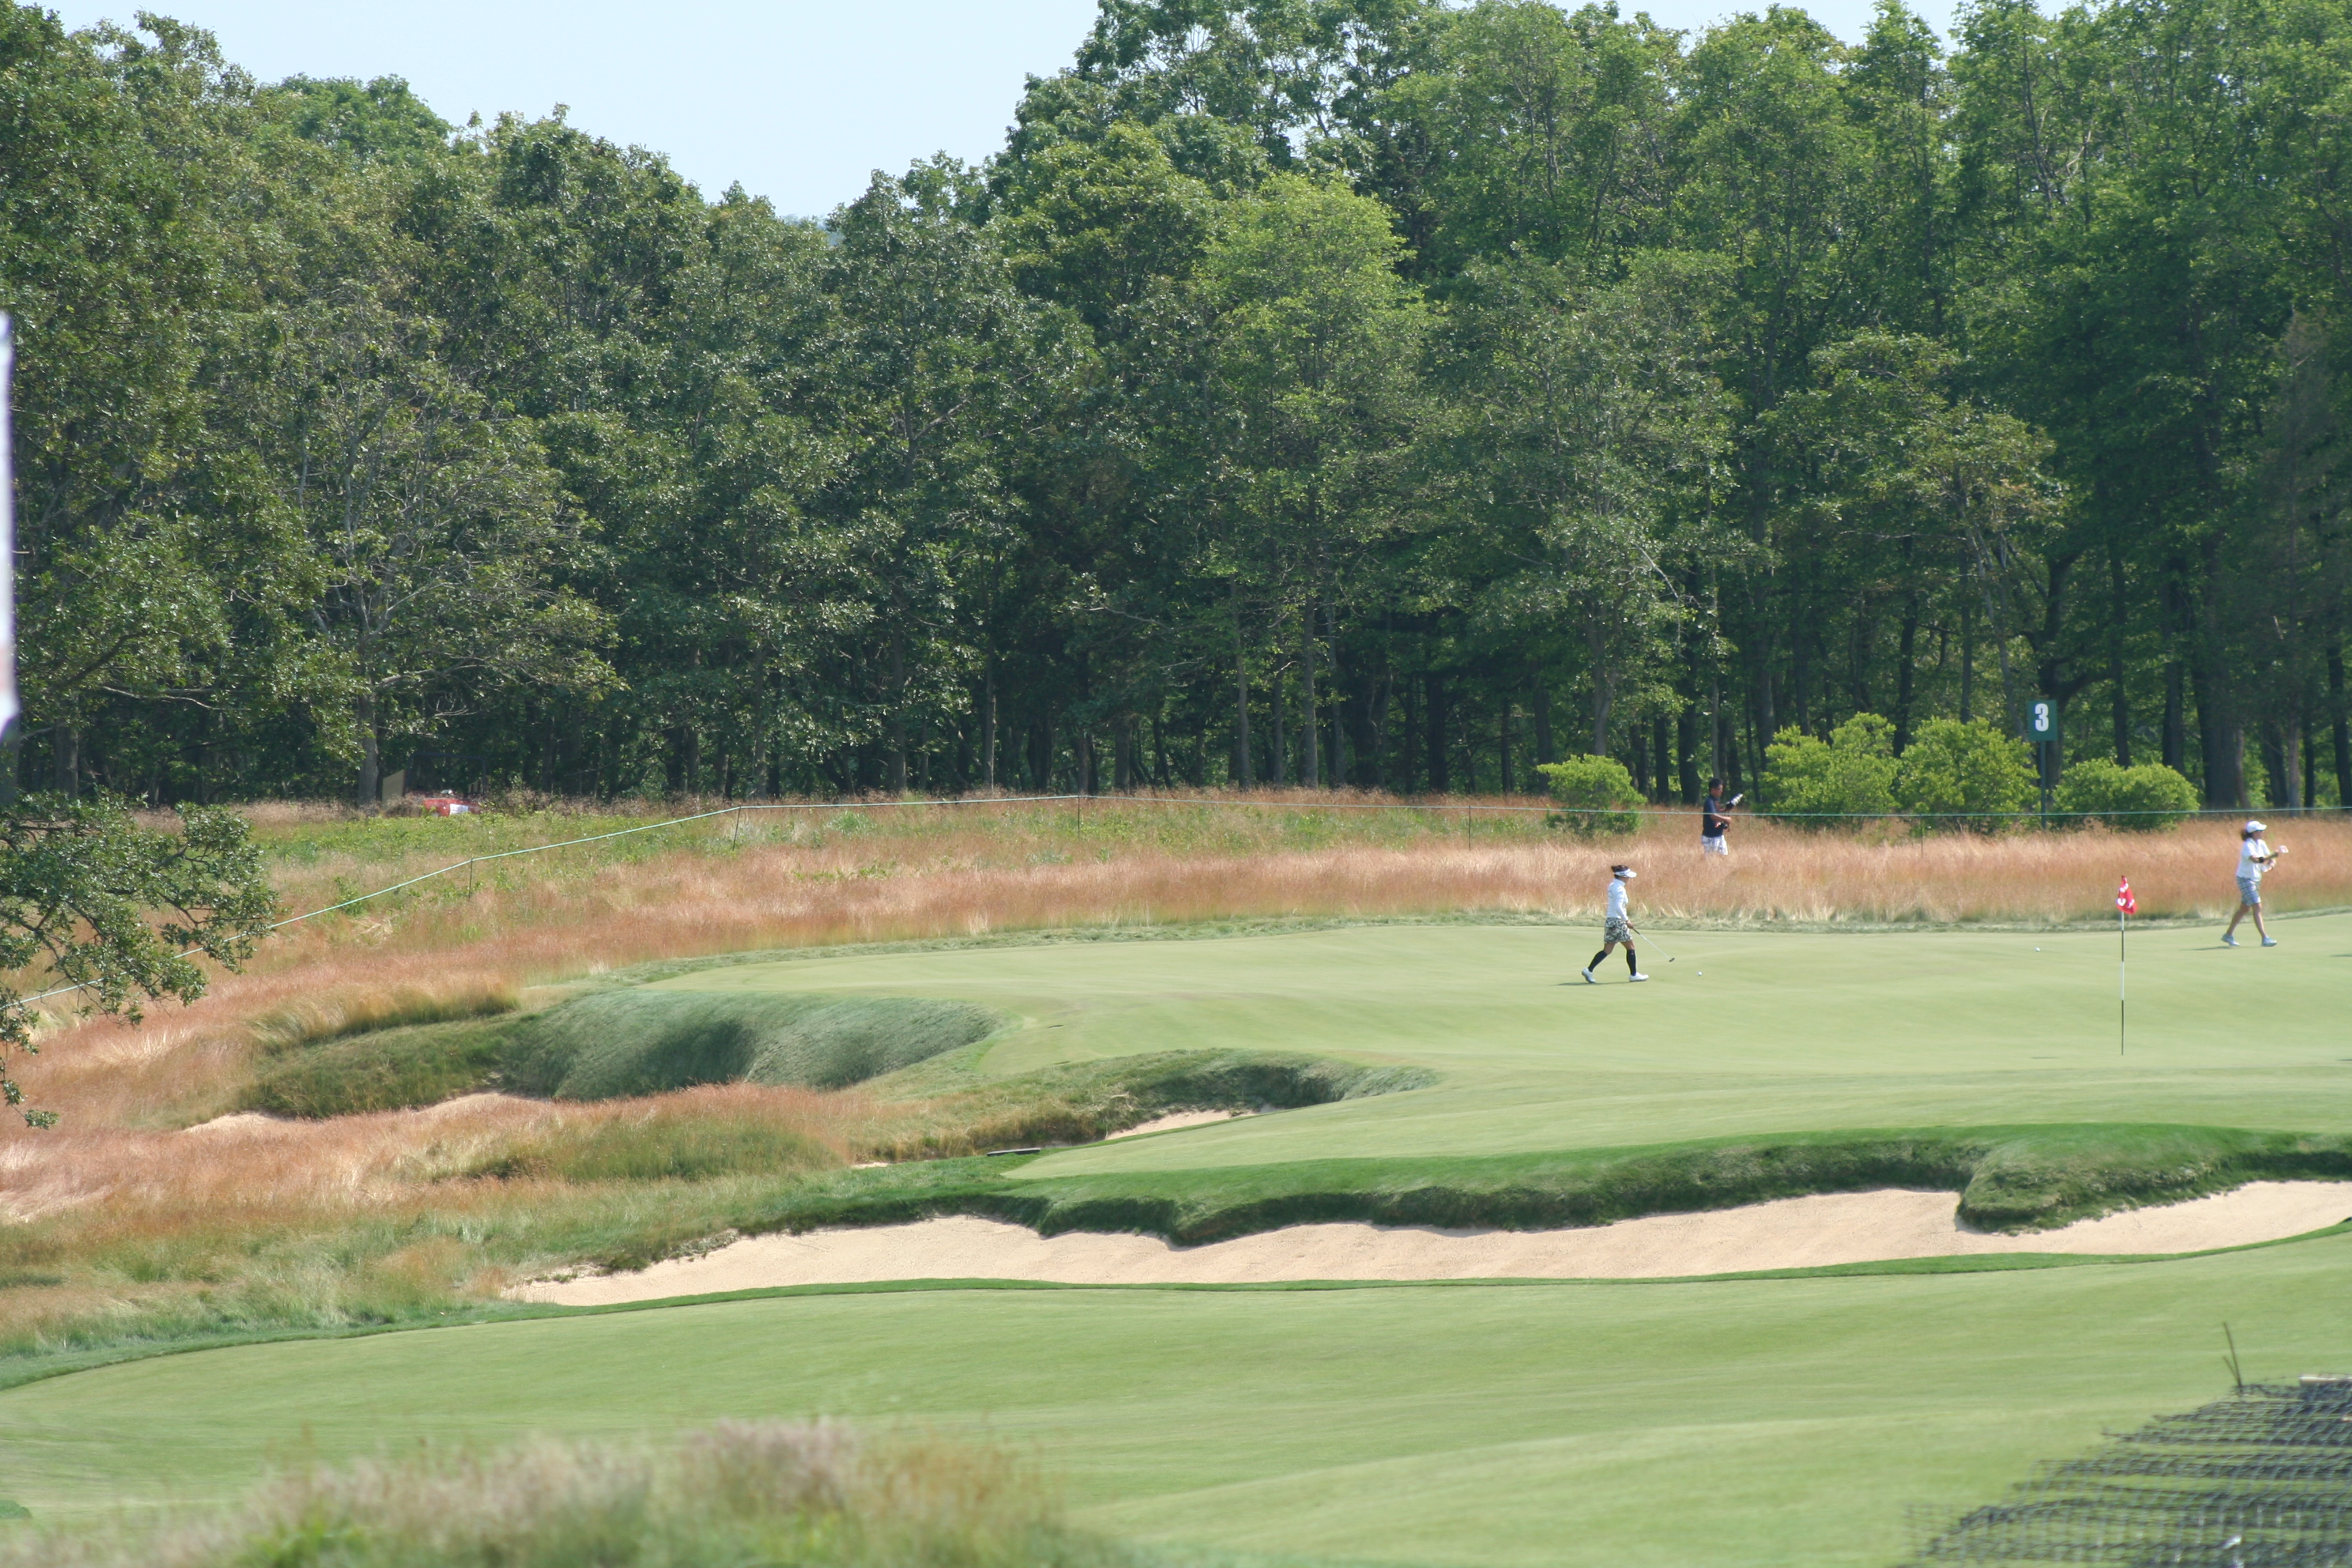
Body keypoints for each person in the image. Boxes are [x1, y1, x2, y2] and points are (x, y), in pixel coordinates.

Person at [1582, 864, 1649, 983]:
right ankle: (1634, 975)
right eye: (1627, 877)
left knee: (1607, 950)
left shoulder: (1613, 885)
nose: (1629, 879)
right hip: (1618, 922)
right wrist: (1627, 921)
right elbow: (1618, 907)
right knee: (1631, 947)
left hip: (1610, 921)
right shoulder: (1620, 889)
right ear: (1622, 877)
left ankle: (1589, 970)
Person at [2223, 819, 2281, 948]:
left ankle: (2228, 935)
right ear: (2254, 833)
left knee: (2244, 909)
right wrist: (2272, 856)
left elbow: (2267, 858)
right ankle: (2265, 938)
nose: (2263, 832)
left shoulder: (2261, 843)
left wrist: (2272, 861)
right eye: (2260, 831)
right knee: (2257, 906)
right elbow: (2256, 860)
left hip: (2255, 879)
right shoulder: (2248, 845)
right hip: (2245, 879)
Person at [1700, 779, 1740, 857]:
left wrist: (1727, 809)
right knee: (1711, 858)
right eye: (1720, 789)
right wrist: (1726, 819)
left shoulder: (1715, 801)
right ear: (1713, 790)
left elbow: (1718, 813)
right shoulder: (1709, 801)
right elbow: (1713, 816)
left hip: (1719, 834)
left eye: (1722, 789)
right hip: (1711, 836)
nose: (1721, 791)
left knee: (1724, 856)